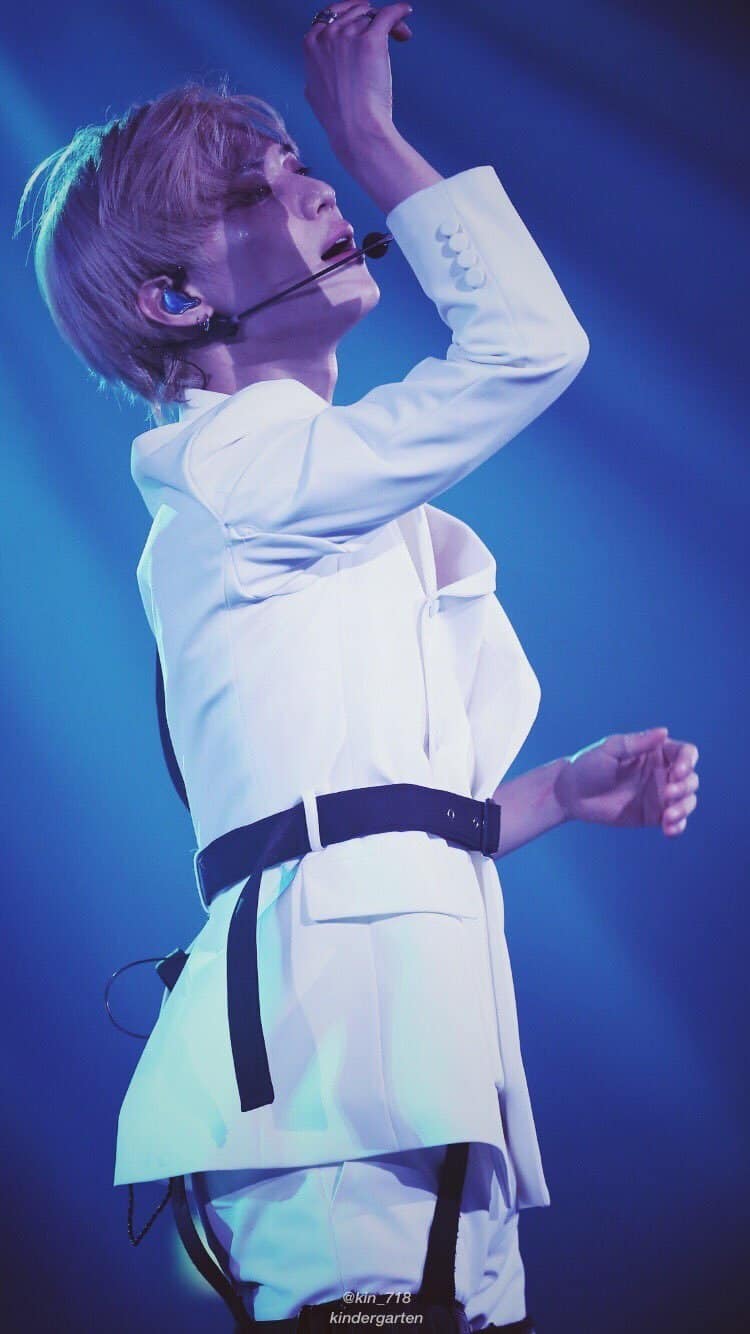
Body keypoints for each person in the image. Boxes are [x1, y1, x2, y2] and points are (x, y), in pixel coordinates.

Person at [17, 3, 700, 1330]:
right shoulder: (233, 471)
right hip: (332, 1080)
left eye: (309, 163)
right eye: (255, 188)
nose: (317, 188)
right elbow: (528, 346)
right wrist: (372, 135)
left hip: (416, 1061)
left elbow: (359, 811)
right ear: (175, 300)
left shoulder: (330, 500)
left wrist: (556, 791)